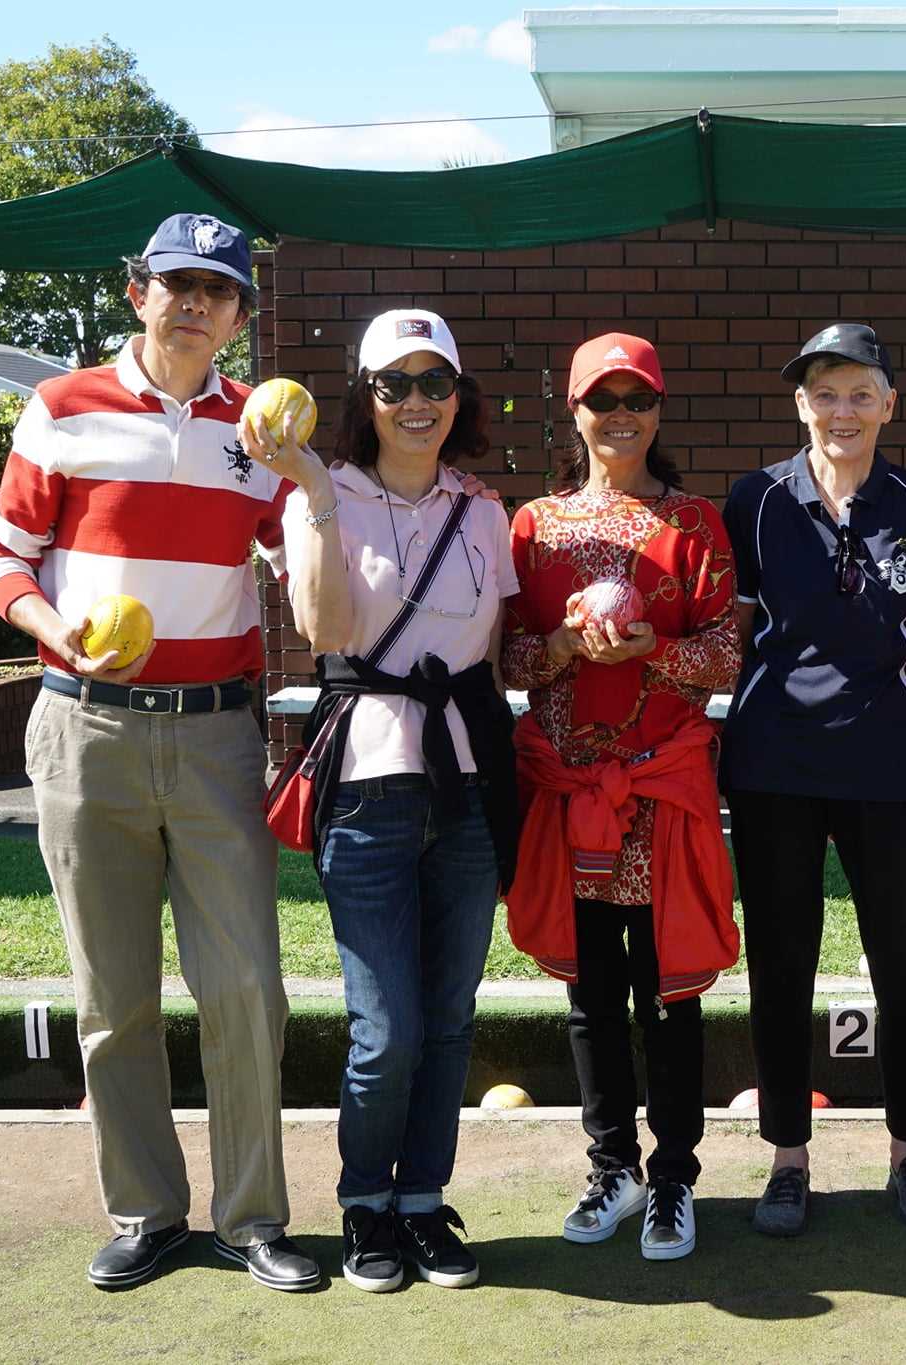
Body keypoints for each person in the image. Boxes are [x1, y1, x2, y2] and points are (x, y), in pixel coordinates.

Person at [0, 213, 318, 1291]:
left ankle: (252, 1218)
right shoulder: (62, 405)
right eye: (178, 285)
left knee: (246, 988)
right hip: (86, 729)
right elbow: (0, 551)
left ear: (239, 317)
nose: (197, 304)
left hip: (217, 734)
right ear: (138, 294)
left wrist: (308, 479)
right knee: (112, 995)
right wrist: (48, 624)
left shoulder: (256, 430)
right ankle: (146, 1212)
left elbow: (300, 560)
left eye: (219, 291)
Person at [246, 309, 520, 1293]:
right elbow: (324, 631)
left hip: (467, 787)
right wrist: (318, 492)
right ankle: (366, 1200)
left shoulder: (482, 510)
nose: (415, 402)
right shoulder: (321, 495)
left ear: (458, 397)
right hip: (367, 789)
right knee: (387, 1026)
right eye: (393, 384)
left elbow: (493, 653)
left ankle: (422, 1202)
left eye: (433, 382)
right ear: (364, 398)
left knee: (448, 1018)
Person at [501, 332, 740, 1263]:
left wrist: (654, 649)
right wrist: (564, 646)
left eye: (637, 399)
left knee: (669, 990)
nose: (621, 416)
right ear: (576, 412)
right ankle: (612, 1166)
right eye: (603, 400)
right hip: (570, 794)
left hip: (660, 790)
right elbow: (506, 657)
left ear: (659, 410)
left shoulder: (695, 524)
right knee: (590, 990)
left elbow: (726, 652)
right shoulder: (535, 527)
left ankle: (673, 1174)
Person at [721, 323, 906, 1236]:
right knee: (781, 963)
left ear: (889, 403)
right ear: (800, 403)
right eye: (825, 393)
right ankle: (788, 1157)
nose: (842, 410)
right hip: (774, 763)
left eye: (861, 392)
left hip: (889, 764)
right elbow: (737, 636)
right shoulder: (756, 500)